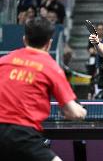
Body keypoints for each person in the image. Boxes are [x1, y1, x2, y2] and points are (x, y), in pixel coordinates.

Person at [0, 18, 87, 161]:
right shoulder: (51, 67)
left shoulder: (3, 61)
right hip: (22, 136)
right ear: (49, 43)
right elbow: (74, 113)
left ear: (24, 39)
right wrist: (82, 112)